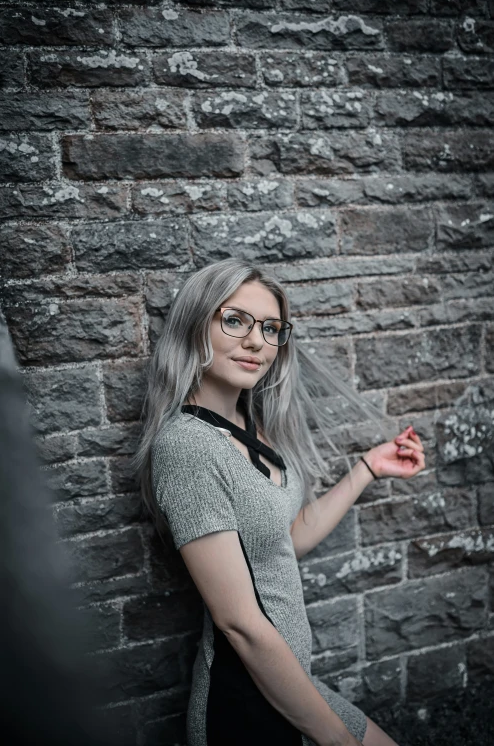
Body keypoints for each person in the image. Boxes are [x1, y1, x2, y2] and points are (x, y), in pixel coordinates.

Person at [134, 258, 426, 746]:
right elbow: (240, 624)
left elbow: (281, 542)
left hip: (292, 683)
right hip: (245, 703)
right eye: (235, 320)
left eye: (271, 328)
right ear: (194, 326)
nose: (257, 342)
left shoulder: (252, 427)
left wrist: (368, 469)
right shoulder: (188, 446)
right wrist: (336, 740)